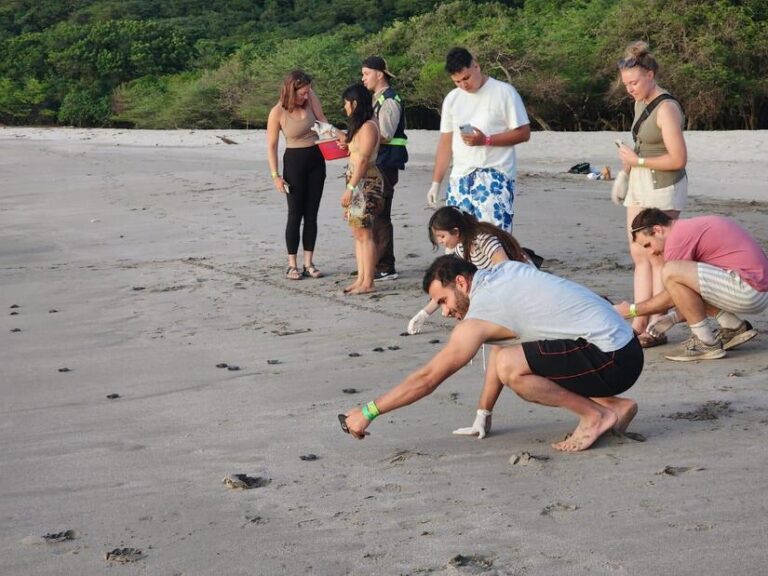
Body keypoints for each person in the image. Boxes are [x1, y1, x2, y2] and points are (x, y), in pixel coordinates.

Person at [343, 256, 644, 452]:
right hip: (624, 346)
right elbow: (500, 353)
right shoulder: (503, 272)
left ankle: (594, 415)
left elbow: (428, 378)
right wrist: (483, 414)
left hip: (613, 358)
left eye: (443, 301)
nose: (445, 312)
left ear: (461, 282)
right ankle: (615, 406)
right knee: (508, 360)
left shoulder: (482, 313)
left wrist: (369, 412)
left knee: (512, 369)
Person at [616, 208, 767, 362]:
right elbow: (690, 292)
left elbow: (671, 297)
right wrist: (672, 317)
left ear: (658, 230)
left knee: (671, 271)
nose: (652, 252)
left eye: (648, 244)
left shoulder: (677, 239)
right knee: (683, 277)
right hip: (756, 290)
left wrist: (632, 310)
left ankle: (705, 342)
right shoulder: (689, 227)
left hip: (749, 290)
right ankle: (734, 327)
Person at [616, 41, 688, 348]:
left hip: (664, 185)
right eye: (626, 84)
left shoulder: (667, 108)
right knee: (638, 253)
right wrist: (627, 169)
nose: (630, 89)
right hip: (640, 182)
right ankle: (639, 320)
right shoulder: (640, 102)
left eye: (634, 82)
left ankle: (657, 323)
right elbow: (642, 146)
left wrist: (639, 162)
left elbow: (678, 159)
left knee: (658, 255)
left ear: (650, 74)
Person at [426, 47, 530, 232]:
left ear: (476, 66)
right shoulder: (452, 99)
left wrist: (486, 140)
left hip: (495, 173)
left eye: (466, 78)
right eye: (457, 81)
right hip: (461, 175)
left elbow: (523, 132)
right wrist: (436, 182)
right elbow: (446, 143)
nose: (464, 85)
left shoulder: (504, 92)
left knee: (492, 236)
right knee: (458, 237)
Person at [407, 206, 533, 335]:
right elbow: (447, 286)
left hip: (524, 288)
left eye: (442, 236)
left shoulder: (483, 240)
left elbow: (508, 272)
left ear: (456, 231)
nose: (440, 241)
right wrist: (424, 313)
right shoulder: (461, 249)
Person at [267, 70, 329, 280]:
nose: (306, 96)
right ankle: (292, 264)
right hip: (294, 163)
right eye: (302, 93)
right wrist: (276, 176)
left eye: (308, 92)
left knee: (312, 214)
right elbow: (271, 146)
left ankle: (308, 263)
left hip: (316, 160)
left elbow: (323, 121)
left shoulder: (311, 98)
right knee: (295, 214)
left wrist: (339, 137)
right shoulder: (277, 112)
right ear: (291, 91)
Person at [361, 56, 409, 282]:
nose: (363, 78)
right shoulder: (377, 98)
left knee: (380, 214)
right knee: (373, 213)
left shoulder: (389, 100)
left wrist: (358, 138)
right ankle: (375, 263)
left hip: (385, 163)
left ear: (379, 74)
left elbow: (385, 134)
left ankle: (385, 266)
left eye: (366, 73)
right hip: (378, 162)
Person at [340, 83, 384, 295]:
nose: (345, 107)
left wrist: (350, 188)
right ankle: (361, 278)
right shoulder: (360, 126)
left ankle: (368, 281)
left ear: (355, 103)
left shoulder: (368, 126)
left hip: (366, 182)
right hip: (356, 180)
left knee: (365, 233)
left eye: (346, 103)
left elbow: (364, 159)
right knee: (358, 231)